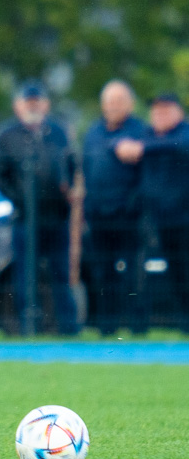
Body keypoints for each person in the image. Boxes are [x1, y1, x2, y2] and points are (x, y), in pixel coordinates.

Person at [0, 80, 79, 336]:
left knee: (61, 274)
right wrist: (20, 199)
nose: (33, 107)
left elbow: (71, 164)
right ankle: (26, 329)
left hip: (56, 217)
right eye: (28, 103)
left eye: (37, 102)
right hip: (26, 218)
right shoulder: (6, 136)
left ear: (46, 105)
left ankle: (68, 329)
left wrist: (67, 190)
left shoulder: (58, 132)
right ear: (18, 106)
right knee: (25, 275)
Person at [115, 93, 189, 334]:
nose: (160, 115)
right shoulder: (148, 135)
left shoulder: (182, 134)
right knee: (173, 273)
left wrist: (141, 148)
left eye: (166, 110)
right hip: (158, 219)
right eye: (156, 111)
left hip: (184, 217)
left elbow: (180, 144)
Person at [81, 80, 144, 336]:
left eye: (119, 101)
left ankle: (137, 327)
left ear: (130, 104)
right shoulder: (94, 132)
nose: (113, 106)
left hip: (129, 216)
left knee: (132, 273)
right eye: (109, 102)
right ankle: (107, 328)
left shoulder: (140, 131)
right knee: (103, 273)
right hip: (98, 216)